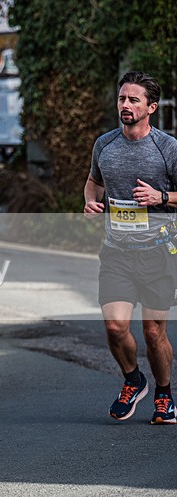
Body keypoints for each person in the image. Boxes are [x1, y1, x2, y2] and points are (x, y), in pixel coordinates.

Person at [83, 71, 177, 425]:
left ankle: (164, 393)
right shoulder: (104, 145)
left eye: (134, 100)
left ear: (151, 107)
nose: (125, 105)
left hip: (158, 252)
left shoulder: (168, 148)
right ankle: (133, 380)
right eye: (122, 98)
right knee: (114, 326)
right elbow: (93, 182)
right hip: (117, 252)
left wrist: (161, 197)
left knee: (154, 332)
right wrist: (90, 202)